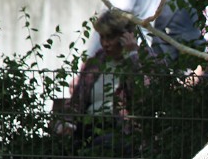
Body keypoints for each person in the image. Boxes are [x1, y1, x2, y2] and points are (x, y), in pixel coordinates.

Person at [52, 9, 145, 147]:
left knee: (102, 143)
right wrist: (67, 122)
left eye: (110, 37)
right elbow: (77, 101)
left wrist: (132, 56)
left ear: (126, 36)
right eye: (102, 37)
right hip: (88, 128)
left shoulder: (143, 60)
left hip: (120, 129)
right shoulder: (96, 62)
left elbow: (142, 95)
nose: (105, 43)